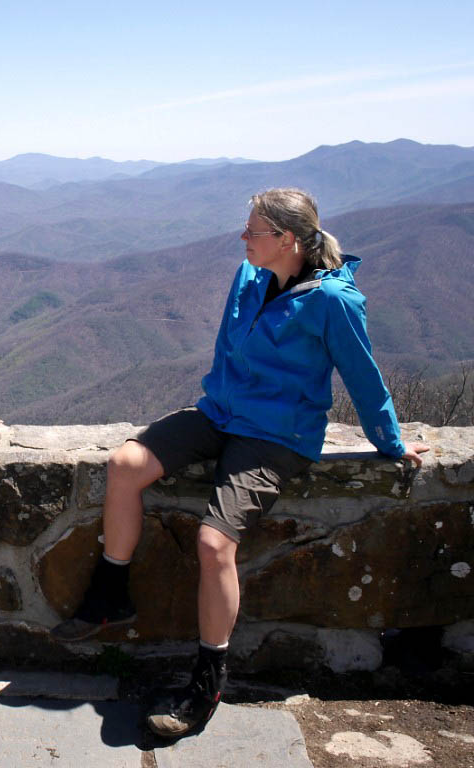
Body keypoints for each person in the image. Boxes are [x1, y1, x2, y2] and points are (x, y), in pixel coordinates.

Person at [52, 187, 430, 738]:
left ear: (289, 240)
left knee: (213, 543)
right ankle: (111, 597)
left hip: (277, 436)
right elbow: (227, 351)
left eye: (255, 231)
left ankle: (207, 681)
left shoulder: (333, 301)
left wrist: (391, 443)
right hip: (221, 414)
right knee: (125, 464)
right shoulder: (249, 276)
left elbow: (364, 377)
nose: (243, 239)